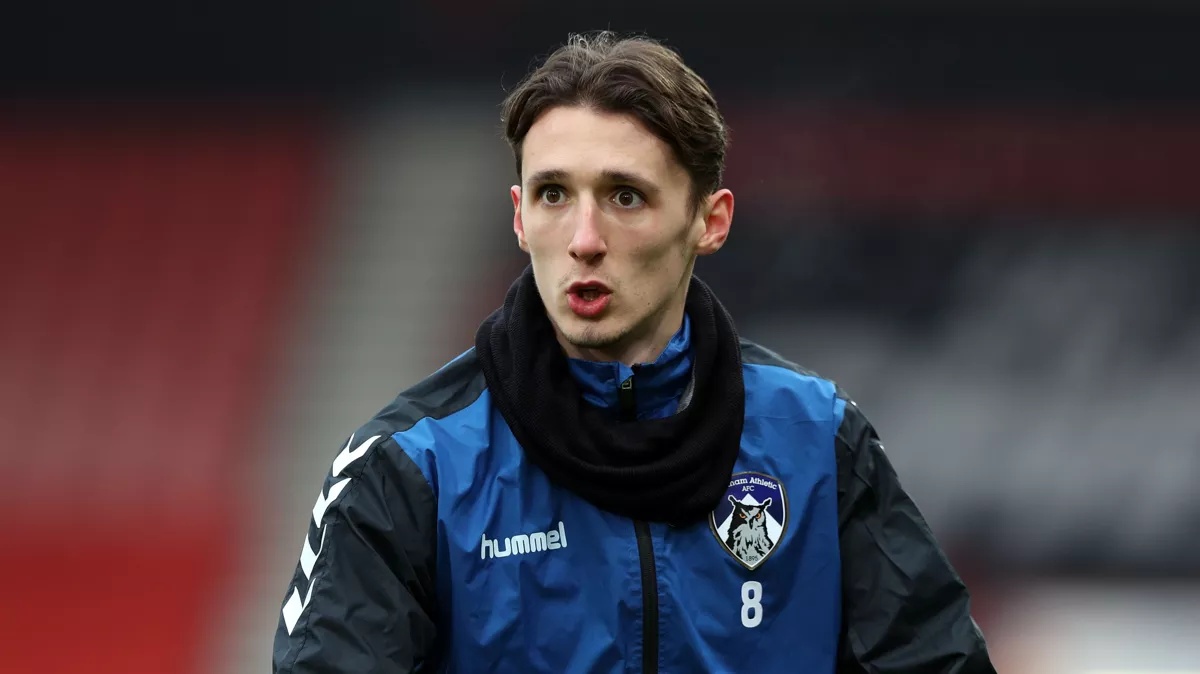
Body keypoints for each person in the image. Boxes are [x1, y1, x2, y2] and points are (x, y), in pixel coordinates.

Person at [272, 31, 996, 673]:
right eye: (555, 194)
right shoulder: (411, 468)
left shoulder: (817, 442)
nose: (584, 238)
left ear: (709, 221)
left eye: (625, 197)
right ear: (520, 218)